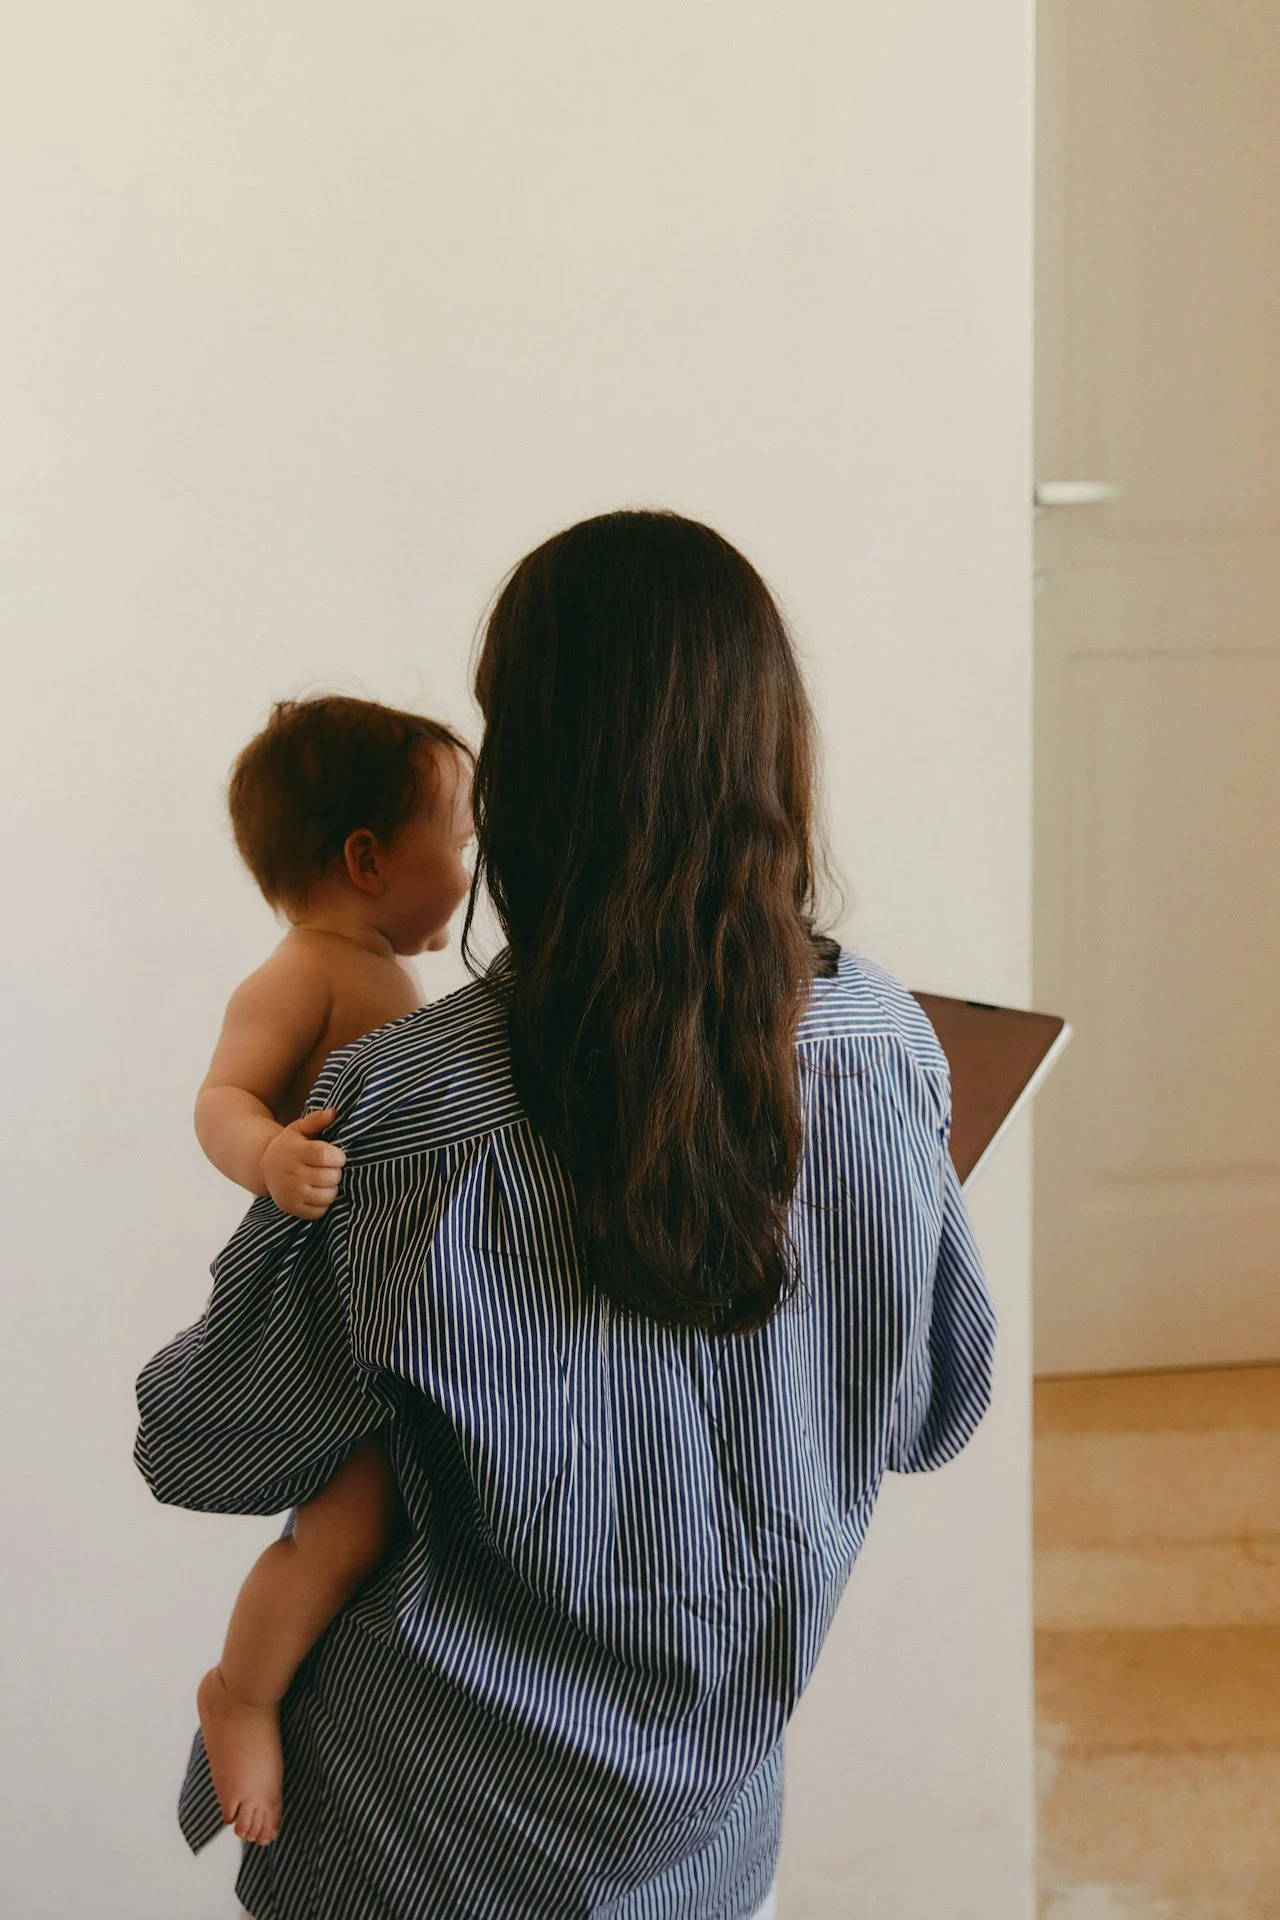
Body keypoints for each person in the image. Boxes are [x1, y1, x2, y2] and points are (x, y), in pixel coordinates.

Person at [136, 510, 997, 1920]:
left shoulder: (404, 1108)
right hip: (705, 1851)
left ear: (528, 776)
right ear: (769, 757)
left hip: (416, 1850)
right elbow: (933, 1414)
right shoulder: (890, 1052)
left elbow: (195, 1444)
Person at [190, 694, 475, 1845]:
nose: (470, 864)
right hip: (330, 1319)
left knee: (400, 1514)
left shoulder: (382, 974)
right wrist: (265, 1155)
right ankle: (240, 1696)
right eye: (457, 839)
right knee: (341, 1529)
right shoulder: (300, 973)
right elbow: (218, 1099)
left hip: (393, 1307)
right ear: (367, 859)